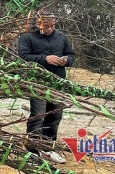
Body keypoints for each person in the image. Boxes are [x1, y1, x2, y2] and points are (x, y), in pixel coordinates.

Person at [17, 11, 74, 164]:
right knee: (38, 115)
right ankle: (33, 150)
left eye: (52, 25)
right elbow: (22, 56)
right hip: (37, 83)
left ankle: (48, 148)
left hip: (58, 83)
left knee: (55, 115)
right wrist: (44, 59)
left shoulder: (60, 37)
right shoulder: (27, 37)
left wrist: (66, 60)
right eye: (46, 26)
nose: (50, 29)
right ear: (38, 23)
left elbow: (71, 55)